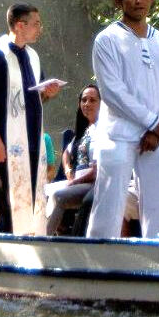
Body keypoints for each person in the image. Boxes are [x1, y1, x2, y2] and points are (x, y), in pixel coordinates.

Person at [86, 0, 159, 239]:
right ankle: (98, 270)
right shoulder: (107, 40)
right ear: (119, 0)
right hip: (119, 136)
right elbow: (113, 92)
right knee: (109, 206)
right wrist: (152, 122)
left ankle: (156, 268)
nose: (138, 0)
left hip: (157, 137)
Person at [0, 3, 62, 234]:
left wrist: (47, 93)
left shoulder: (33, 56)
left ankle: (31, 239)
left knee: (34, 191)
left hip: (33, 137)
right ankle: (2, 244)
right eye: (36, 23)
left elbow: (35, 99)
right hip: (7, 139)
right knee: (6, 194)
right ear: (19, 25)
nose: (40, 28)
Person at [40, 85, 101, 235]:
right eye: (84, 100)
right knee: (40, 194)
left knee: (59, 197)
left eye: (92, 100)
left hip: (94, 184)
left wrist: (74, 182)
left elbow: (97, 171)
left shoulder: (104, 129)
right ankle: (55, 236)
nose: (87, 104)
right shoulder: (85, 130)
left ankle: (43, 240)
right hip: (76, 182)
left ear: (102, 103)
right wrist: (68, 171)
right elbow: (66, 153)